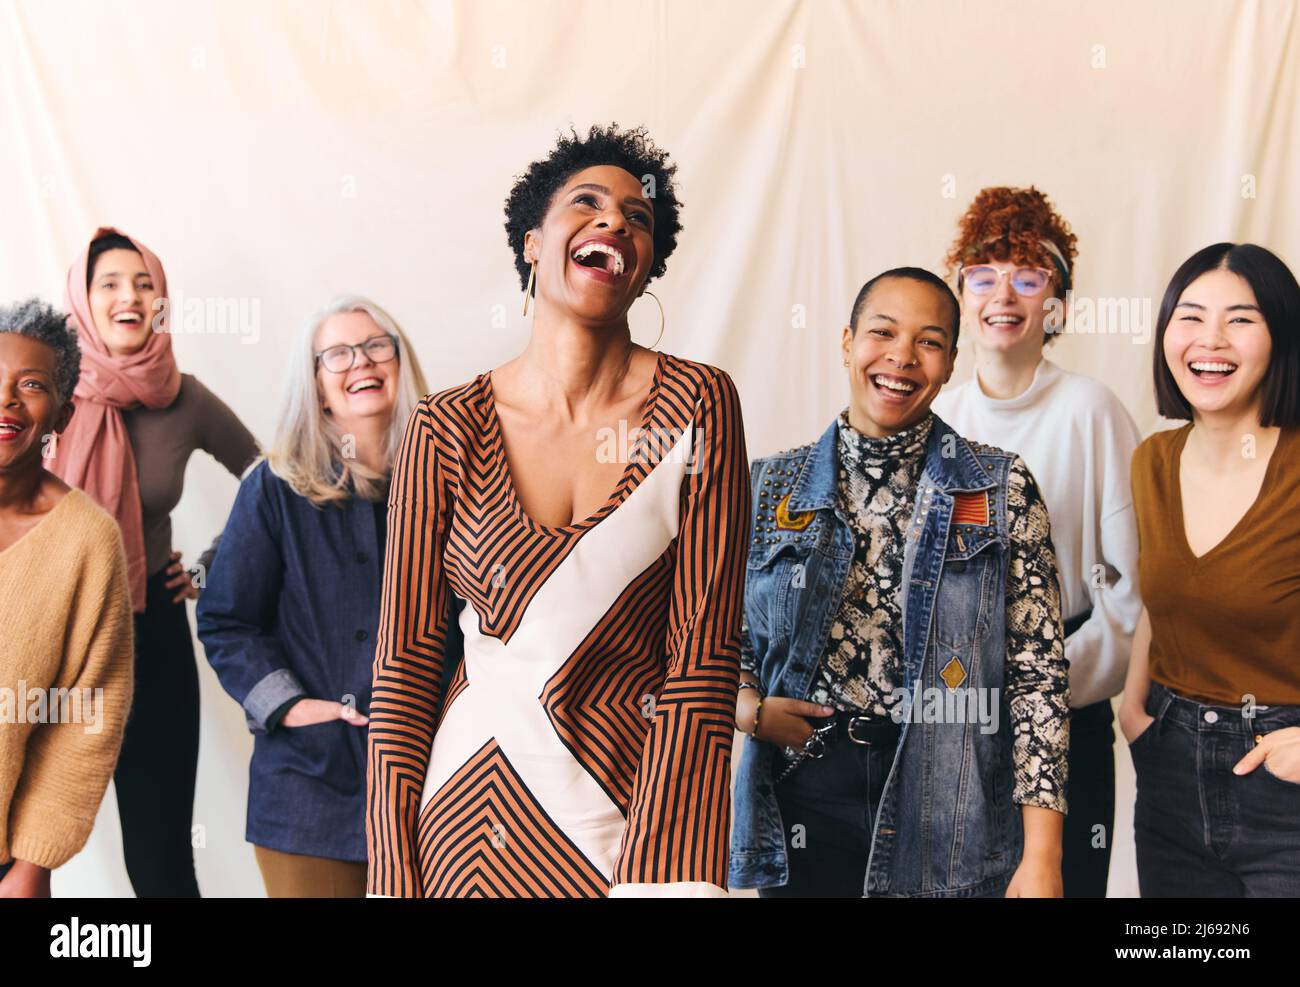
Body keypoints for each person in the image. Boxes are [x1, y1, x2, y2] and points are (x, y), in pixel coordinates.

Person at [366, 124, 750, 898]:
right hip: (459, 826)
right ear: (534, 243)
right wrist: (390, 870)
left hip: (625, 822)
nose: (615, 222)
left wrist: (669, 876)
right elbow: (404, 667)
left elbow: (701, 661)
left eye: (638, 218)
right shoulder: (444, 426)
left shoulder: (699, 405)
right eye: (588, 204)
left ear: (646, 270)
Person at [730, 267, 1070, 897]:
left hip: (952, 794)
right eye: (882, 332)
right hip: (808, 792)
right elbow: (721, 636)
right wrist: (750, 711)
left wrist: (1044, 854)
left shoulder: (999, 489)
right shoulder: (770, 486)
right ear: (846, 342)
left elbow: (1037, 676)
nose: (901, 357)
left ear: (949, 364)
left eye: (929, 341)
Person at [932, 187, 1142, 896]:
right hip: (955, 716)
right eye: (984, 275)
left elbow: (1129, 591)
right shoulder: (938, 414)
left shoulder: (1092, 410)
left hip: (1069, 706)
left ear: (1057, 302)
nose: (1004, 294)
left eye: (1028, 276)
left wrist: (1046, 690)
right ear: (961, 290)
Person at [48, 227, 259, 897]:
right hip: (46, 642)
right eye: (109, 283)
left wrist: (207, 568)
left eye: (143, 283)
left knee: (162, 863)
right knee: (17, 857)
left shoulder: (184, 398)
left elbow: (271, 482)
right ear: (82, 300)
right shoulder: (38, 392)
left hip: (149, 635)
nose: (129, 297)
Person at [198, 296, 428, 897]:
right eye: (339, 354)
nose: (362, 363)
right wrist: (289, 706)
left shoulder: (446, 482)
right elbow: (226, 620)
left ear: (401, 364)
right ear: (318, 385)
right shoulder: (275, 487)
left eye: (379, 345)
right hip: (306, 793)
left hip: (430, 785)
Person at [1119, 242, 1300, 897]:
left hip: (1285, 780)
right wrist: (1133, 708)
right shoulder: (1153, 459)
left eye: (1241, 319)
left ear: (1282, 336)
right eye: (1190, 316)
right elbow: (1157, 600)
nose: (1211, 339)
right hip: (1168, 769)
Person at [0, 298, 133, 898]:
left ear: (62, 413)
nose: (6, 399)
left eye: (30, 385)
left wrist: (33, 865)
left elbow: (86, 714)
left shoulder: (88, 540)